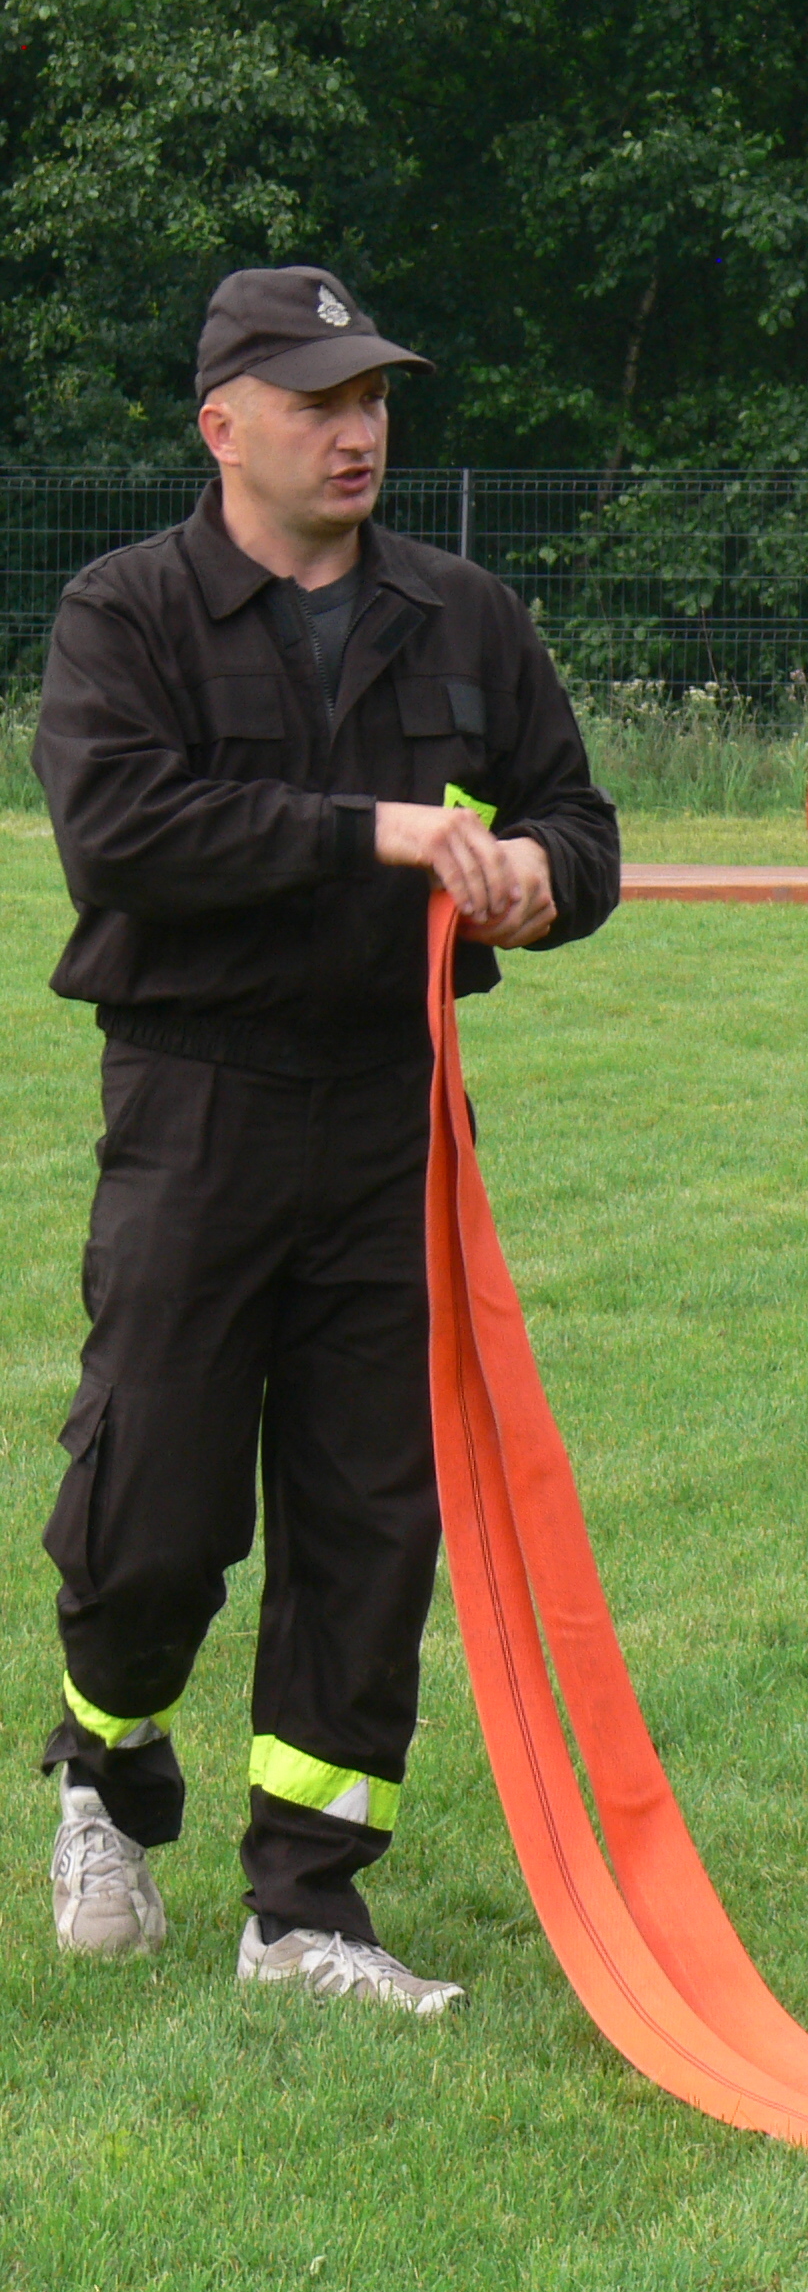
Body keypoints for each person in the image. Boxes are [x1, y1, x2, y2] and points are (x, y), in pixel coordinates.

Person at [33, 264, 622, 2011]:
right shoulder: (126, 612)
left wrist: (544, 878)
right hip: (195, 1100)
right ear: (223, 426)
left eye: (373, 400)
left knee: (372, 1513)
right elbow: (122, 831)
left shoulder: (466, 616)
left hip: (392, 1108)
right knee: (152, 1499)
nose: (359, 432)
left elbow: (577, 818)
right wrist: (375, 833)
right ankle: (105, 1771)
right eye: (319, 403)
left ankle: (306, 1910)